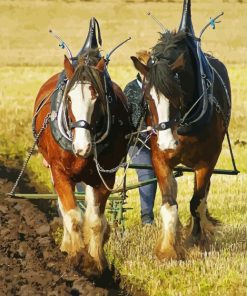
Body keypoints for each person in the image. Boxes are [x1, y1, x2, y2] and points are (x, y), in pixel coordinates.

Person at [124, 50, 157, 225]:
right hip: (138, 142)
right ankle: (147, 219)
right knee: (147, 172)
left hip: (159, 140)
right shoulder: (130, 89)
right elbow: (128, 120)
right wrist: (144, 129)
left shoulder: (160, 88)